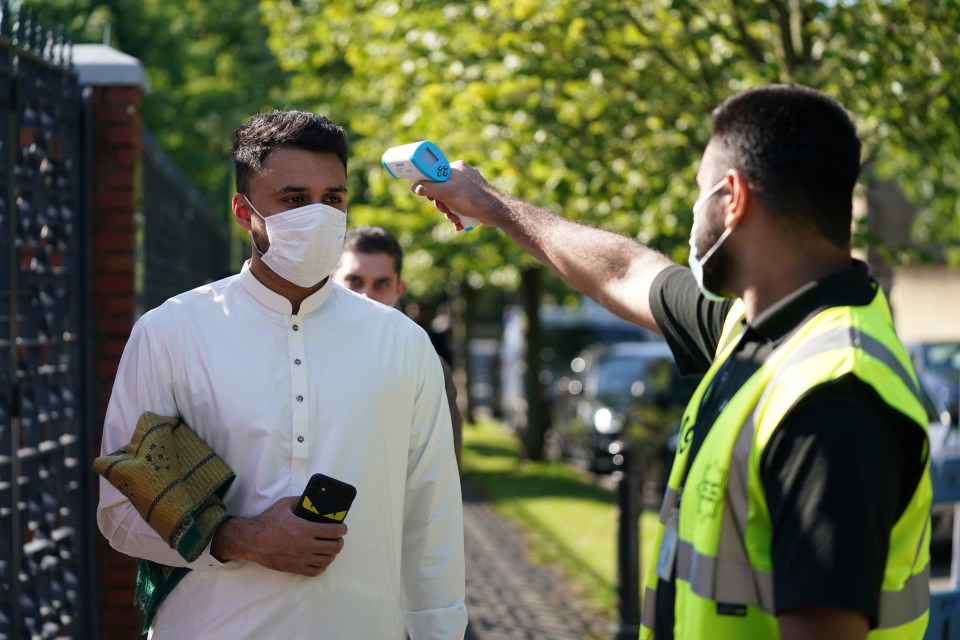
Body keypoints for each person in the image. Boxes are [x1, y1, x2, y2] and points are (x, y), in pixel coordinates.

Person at [412, 84, 931, 640]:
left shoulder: (831, 400)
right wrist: (492, 206)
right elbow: (622, 271)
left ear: (732, 197)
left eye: (698, 190)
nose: (692, 210)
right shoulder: (755, 327)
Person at [96, 110, 467, 639]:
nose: (317, 216)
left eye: (333, 199)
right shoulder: (171, 333)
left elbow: (432, 523)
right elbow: (118, 511)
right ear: (243, 212)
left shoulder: (403, 344)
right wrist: (236, 538)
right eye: (293, 200)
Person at [331, 225, 464, 470]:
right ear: (330, 280)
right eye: (355, 281)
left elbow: (444, 472)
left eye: (380, 284)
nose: (366, 295)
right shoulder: (298, 353)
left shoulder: (427, 367)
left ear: (398, 290)